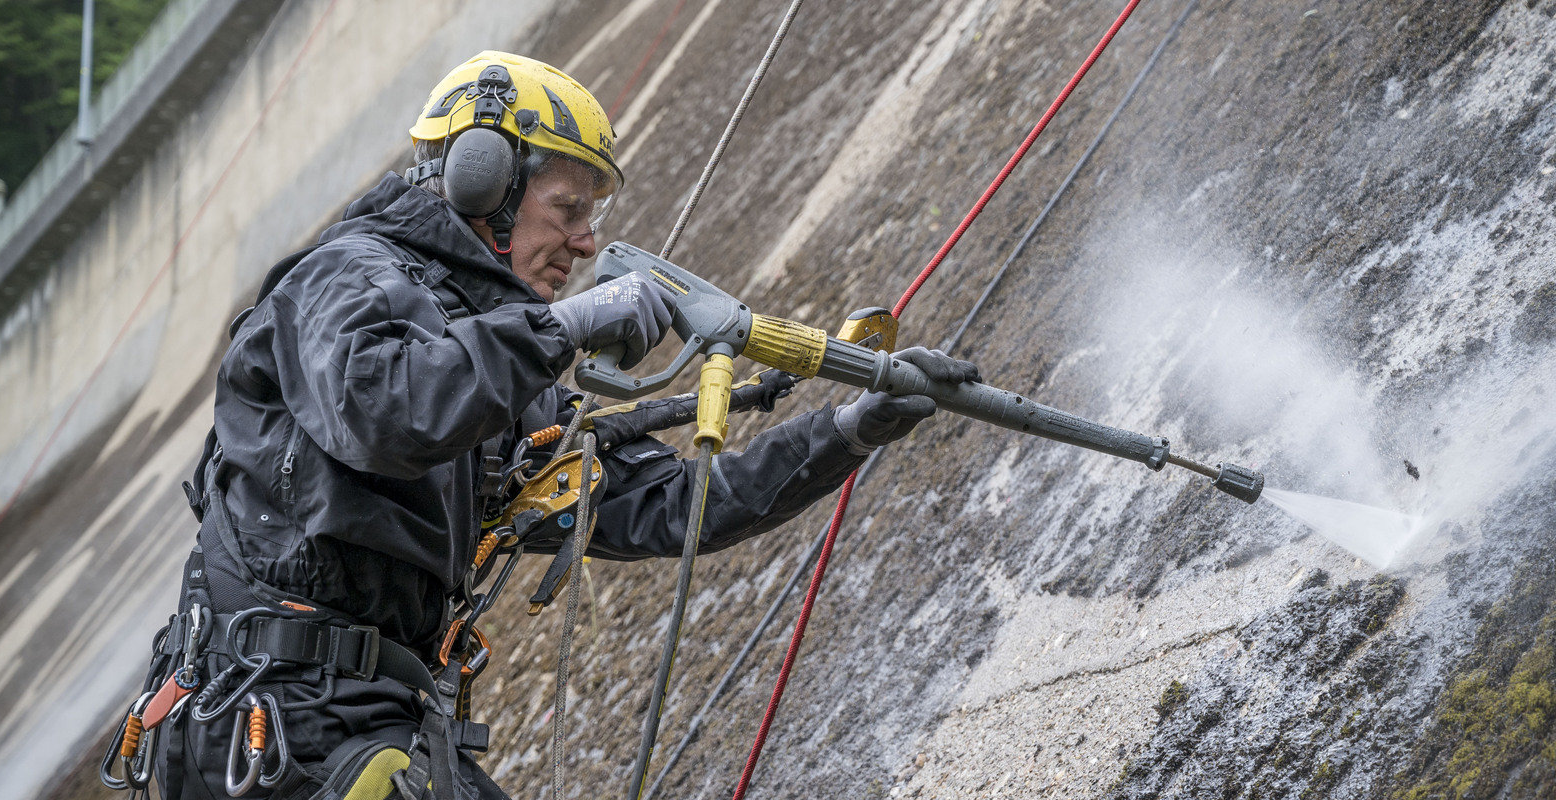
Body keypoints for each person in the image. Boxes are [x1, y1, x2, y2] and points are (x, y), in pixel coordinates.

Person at [120, 51, 979, 800]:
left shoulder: (502, 382)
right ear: (482, 180)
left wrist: (848, 430)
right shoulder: (343, 279)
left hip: (358, 724)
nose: (586, 241)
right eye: (568, 209)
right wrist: (563, 328)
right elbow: (384, 413)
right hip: (275, 719)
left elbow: (670, 505)